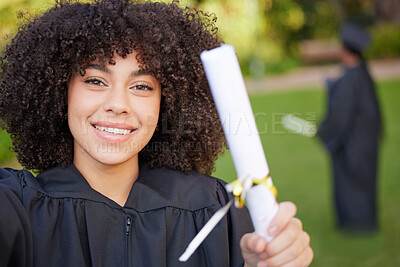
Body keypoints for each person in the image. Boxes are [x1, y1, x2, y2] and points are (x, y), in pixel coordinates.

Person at [0, 0, 313, 266]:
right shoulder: (18, 210)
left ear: (167, 101)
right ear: (59, 90)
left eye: (141, 86)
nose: (118, 105)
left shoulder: (212, 209)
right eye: (95, 80)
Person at [318, 23, 382, 233]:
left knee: (351, 183)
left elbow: (339, 114)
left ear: (345, 50)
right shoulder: (363, 74)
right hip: (366, 141)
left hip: (352, 143)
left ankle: (356, 225)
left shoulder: (350, 80)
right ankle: (366, 221)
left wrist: (323, 132)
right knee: (365, 182)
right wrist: (332, 85)